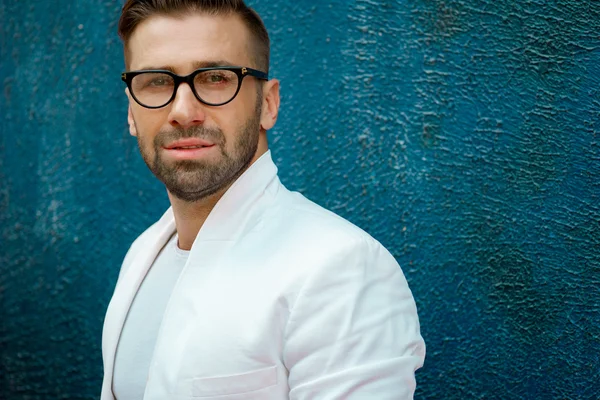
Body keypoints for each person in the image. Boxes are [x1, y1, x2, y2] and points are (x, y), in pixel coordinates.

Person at [101, 0, 425, 398]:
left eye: (216, 78)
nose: (183, 112)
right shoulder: (142, 254)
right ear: (132, 112)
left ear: (268, 104)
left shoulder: (340, 269)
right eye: (156, 81)